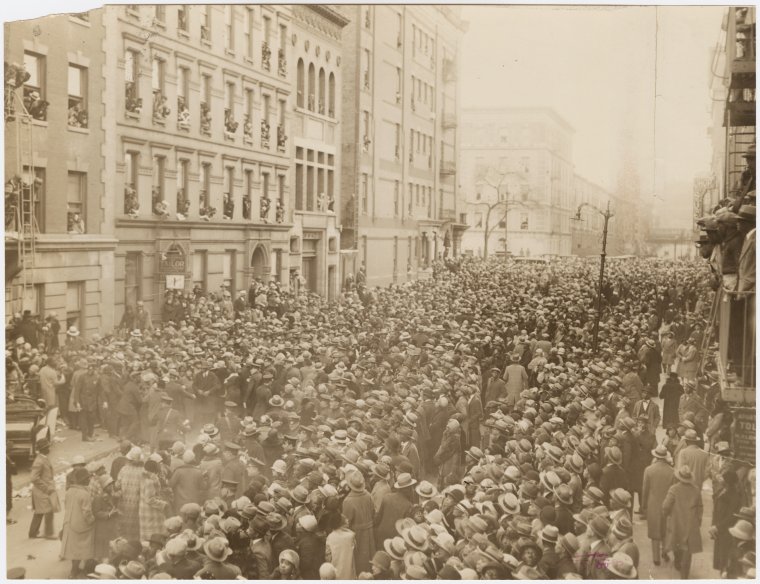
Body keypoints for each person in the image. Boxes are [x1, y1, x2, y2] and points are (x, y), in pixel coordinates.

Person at [662, 465, 703, 579]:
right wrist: (698, 520)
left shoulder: (674, 489)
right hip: (691, 523)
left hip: (676, 521)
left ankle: (677, 562)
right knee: (688, 550)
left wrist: (666, 514)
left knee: (676, 541)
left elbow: (666, 505)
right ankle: (684, 574)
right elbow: (700, 507)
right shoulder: (696, 490)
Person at [60, 466, 95, 578]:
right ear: (83, 480)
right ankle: (75, 572)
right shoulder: (84, 494)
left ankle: (73, 571)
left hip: (69, 524)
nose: (89, 480)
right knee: (80, 549)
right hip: (81, 526)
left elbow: (66, 506)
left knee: (74, 550)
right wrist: (92, 521)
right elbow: (87, 513)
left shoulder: (70, 491)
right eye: (88, 478)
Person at [28, 437, 58, 540]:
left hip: (41, 491)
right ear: (43, 449)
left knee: (39, 512)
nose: (49, 448)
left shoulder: (43, 458)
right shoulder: (39, 461)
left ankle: (33, 533)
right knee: (48, 511)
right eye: (47, 447)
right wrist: (46, 488)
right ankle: (49, 534)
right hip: (42, 491)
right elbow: (33, 478)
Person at [325, 513, 356, 580]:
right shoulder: (351, 536)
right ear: (341, 523)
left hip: (336, 570)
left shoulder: (330, 537)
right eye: (345, 519)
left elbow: (328, 557)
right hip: (349, 570)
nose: (347, 520)